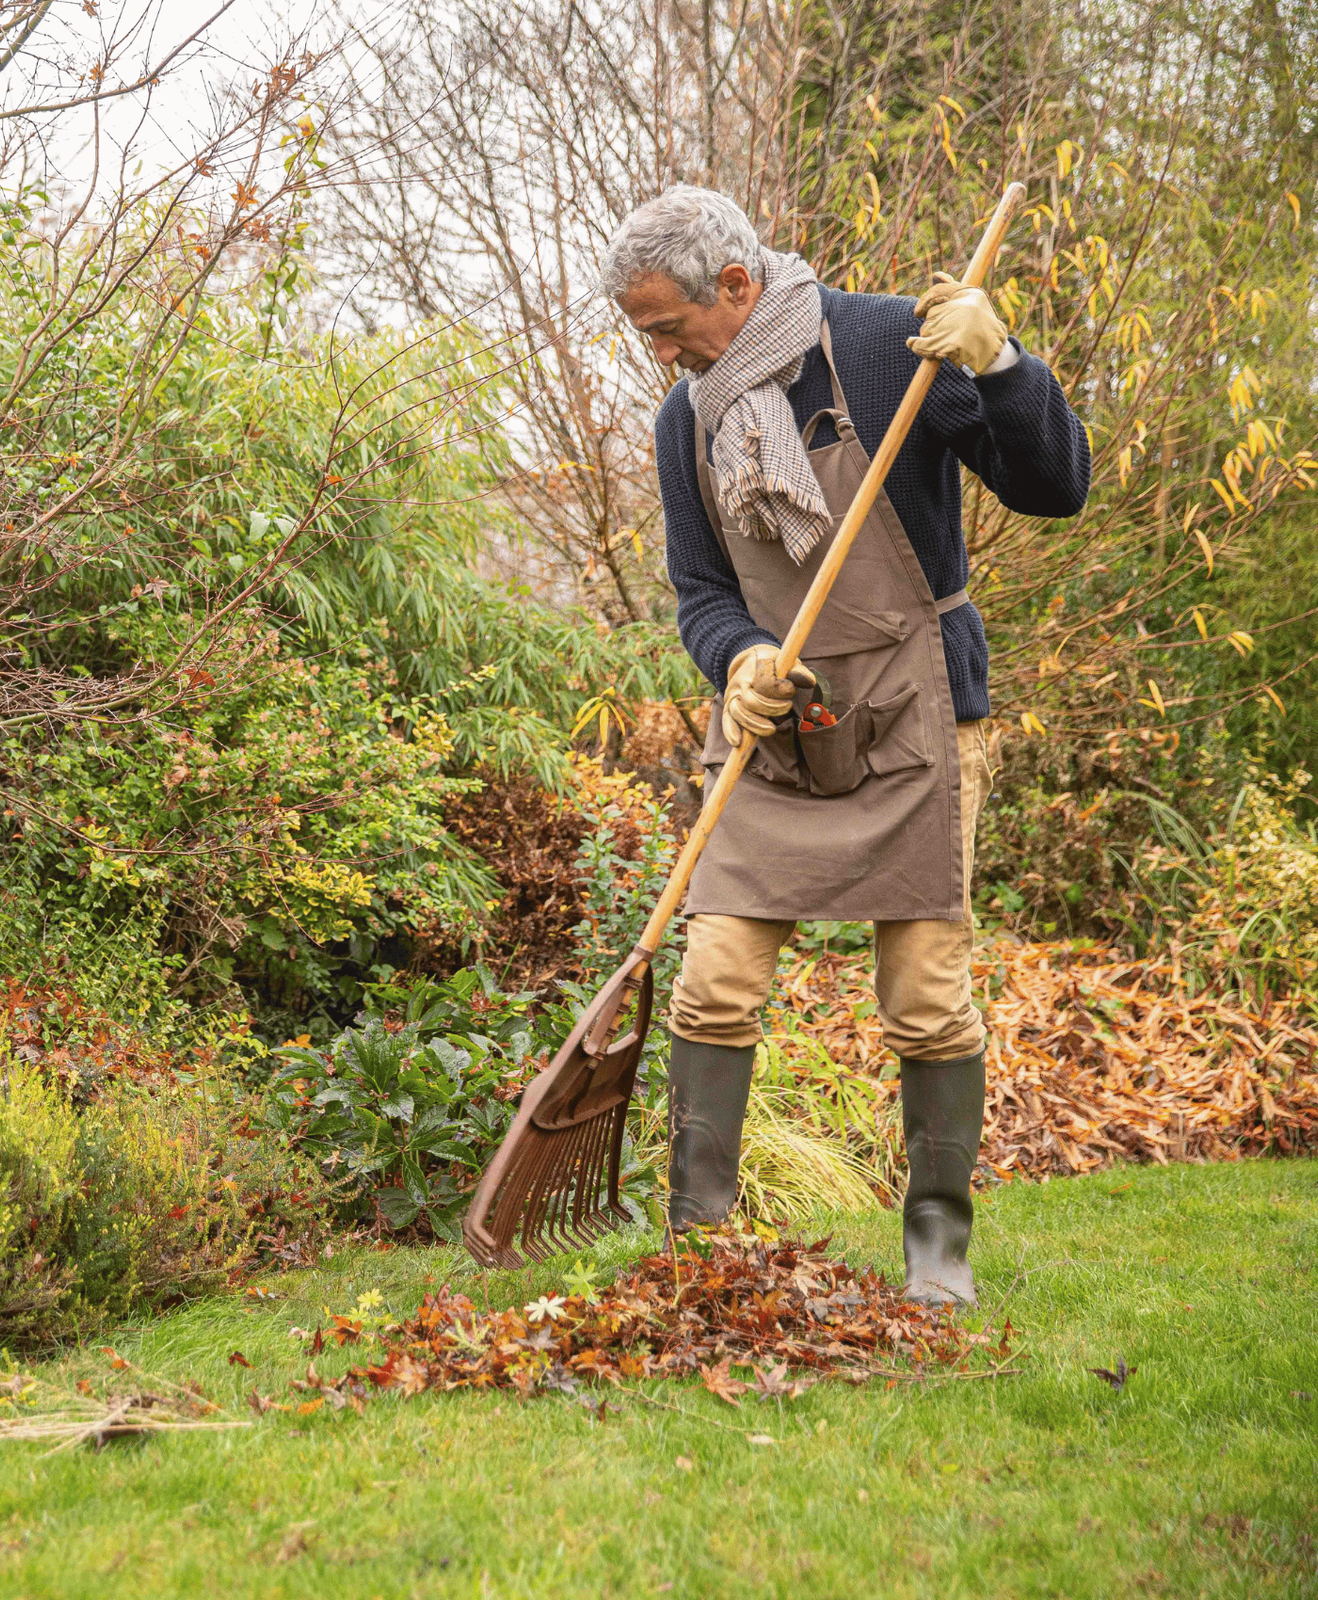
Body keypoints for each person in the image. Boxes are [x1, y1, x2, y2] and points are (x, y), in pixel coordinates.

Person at [599, 185, 1089, 1306]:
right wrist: (738, 660)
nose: (659, 351)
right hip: (777, 726)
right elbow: (701, 593)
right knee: (716, 981)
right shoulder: (691, 417)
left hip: (919, 711)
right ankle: (699, 1257)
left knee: (923, 990)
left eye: (665, 324)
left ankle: (936, 1256)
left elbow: (1055, 486)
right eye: (645, 333)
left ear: (733, 285)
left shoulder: (884, 347)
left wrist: (1004, 366)